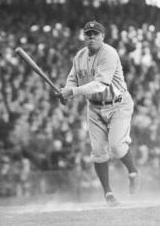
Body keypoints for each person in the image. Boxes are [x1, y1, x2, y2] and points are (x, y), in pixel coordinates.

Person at [57, 21, 140, 206]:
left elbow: (100, 84)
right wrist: (66, 92)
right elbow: (72, 80)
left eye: (95, 34)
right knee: (98, 152)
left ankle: (133, 171)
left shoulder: (109, 53)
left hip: (118, 104)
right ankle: (108, 194)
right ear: (84, 37)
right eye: (88, 34)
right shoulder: (79, 57)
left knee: (117, 146)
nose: (92, 37)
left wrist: (72, 92)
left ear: (103, 36)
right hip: (94, 107)